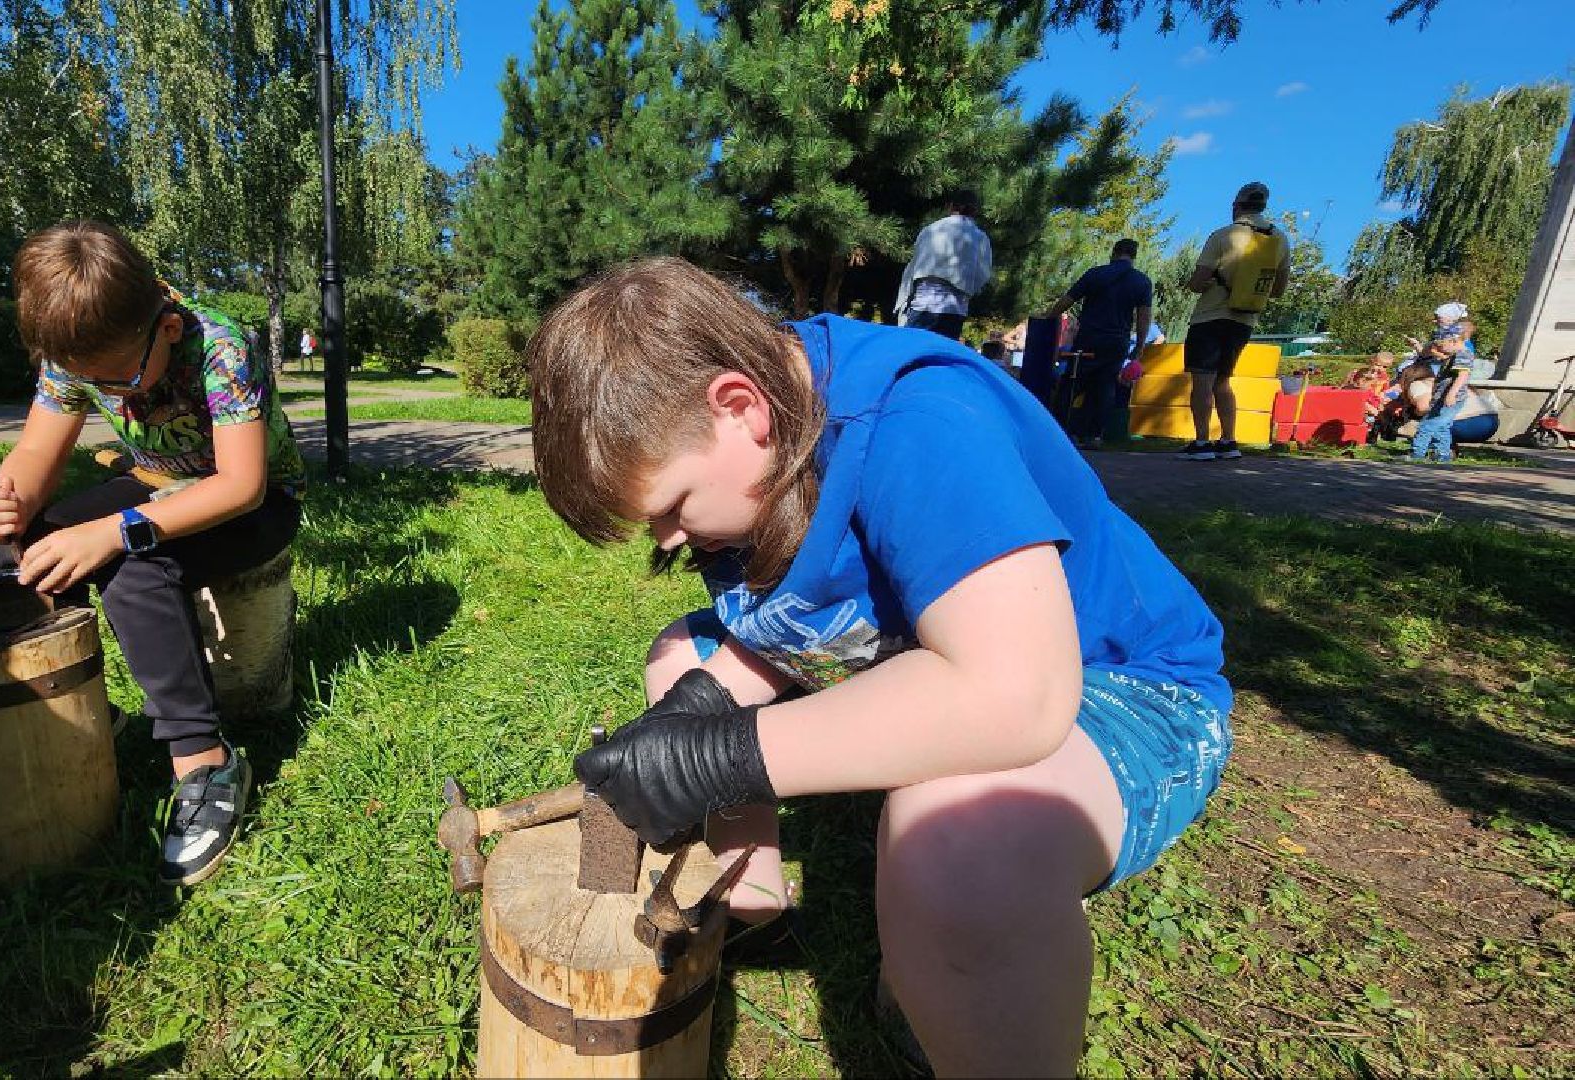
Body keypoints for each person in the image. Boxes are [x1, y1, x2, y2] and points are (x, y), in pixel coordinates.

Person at [528, 257, 1231, 1075]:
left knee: (963, 843)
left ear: (739, 406)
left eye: (673, 509)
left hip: (1115, 686)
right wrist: (702, 717)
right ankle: (752, 906)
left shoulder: (918, 420)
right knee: (685, 661)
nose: (669, 542)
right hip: (936, 651)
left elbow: (1019, 697)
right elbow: (794, 614)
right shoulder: (761, 435)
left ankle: (971, 1001)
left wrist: (718, 758)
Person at [0, 221, 305, 886]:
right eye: (90, 381)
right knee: (36, 546)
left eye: (120, 377)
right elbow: (38, 452)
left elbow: (240, 486)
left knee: (132, 560)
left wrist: (115, 531)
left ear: (167, 327)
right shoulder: (80, 353)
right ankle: (78, 713)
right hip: (158, 485)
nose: (114, 394)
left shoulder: (220, 347)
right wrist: (10, 500)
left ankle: (203, 761)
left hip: (254, 505)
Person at [1180, 181, 1290, 460]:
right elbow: (1277, 290)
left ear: (1236, 205)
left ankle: (1202, 443)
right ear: (1263, 206)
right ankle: (1228, 441)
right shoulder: (1279, 238)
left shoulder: (1223, 236)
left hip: (1210, 315)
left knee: (1202, 381)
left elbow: (1198, 282)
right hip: (1245, 320)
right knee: (1223, 380)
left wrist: (1199, 284)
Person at [1038, 239, 1155, 450]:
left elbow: (1068, 299)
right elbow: (1144, 317)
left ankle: (1060, 431)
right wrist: (1139, 345)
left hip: (1090, 337)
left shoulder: (1095, 274)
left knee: (1073, 383)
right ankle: (1093, 435)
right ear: (1134, 256)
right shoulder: (1142, 281)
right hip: (1117, 341)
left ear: (1114, 252)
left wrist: (1048, 317)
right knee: (1105, 387)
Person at [894, 190, 993, 340]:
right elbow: (983, 274)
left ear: (950, 206)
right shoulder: (979, 237)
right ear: (974, 210)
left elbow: (913, 266)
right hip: (955, 309)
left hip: (923, 303)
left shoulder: (931, 229)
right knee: (940, 357)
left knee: (914, 355)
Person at [1409, 339, 1472, 463]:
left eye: (1440, 349)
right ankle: (1442, 454)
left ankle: (1417, 453)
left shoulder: (1463, 353)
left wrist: (1451, 394)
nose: (1438, 352)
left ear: (1453, 342)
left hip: (1452, 397)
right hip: (1441, 397)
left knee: (1427, 425)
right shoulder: (1451, 355)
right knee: (1442, 427)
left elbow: (1463, 376)